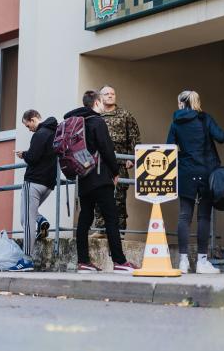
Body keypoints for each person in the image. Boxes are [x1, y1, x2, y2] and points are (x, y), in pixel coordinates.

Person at [64, 91, 139, 274]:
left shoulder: (75, 122)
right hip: (100, 177)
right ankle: (120, 262)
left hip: (82, 177)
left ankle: (83, 262)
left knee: (85, 219)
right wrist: (115, 171)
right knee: (112, 219)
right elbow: (107, 149)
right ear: (97, 102)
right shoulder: (97, 121)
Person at [167, 90, 224, 274]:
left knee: (184, 216)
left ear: (181, 103)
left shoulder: (176, 123)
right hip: (207, 172)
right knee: (204, 217)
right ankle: (201, 262)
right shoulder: (205, 119)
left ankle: (183, 261)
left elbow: (169, 147)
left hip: (186, 172)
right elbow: (221, 137)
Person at [91, 85, 141, 235]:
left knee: (118, 198)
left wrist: (132, 157)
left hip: (119, 163)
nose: (110, 96)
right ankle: (100, 230)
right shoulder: (95, 116)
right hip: (99, 163)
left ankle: (119, 232)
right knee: (99, 196)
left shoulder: (125, 115)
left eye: (113, 93)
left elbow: (135, 138)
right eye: (107, 94)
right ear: (100, 97)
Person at [13, 109, 57, 272]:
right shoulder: (54, 132)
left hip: (33, 181)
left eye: (27, 125)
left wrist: (23, 154)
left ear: (32, 119)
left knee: (27, 222)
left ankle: (26, 260)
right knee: (28, 218)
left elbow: (33, 157)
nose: (29, 129)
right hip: (48, 183)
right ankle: (41, 220)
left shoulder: (39, 134)